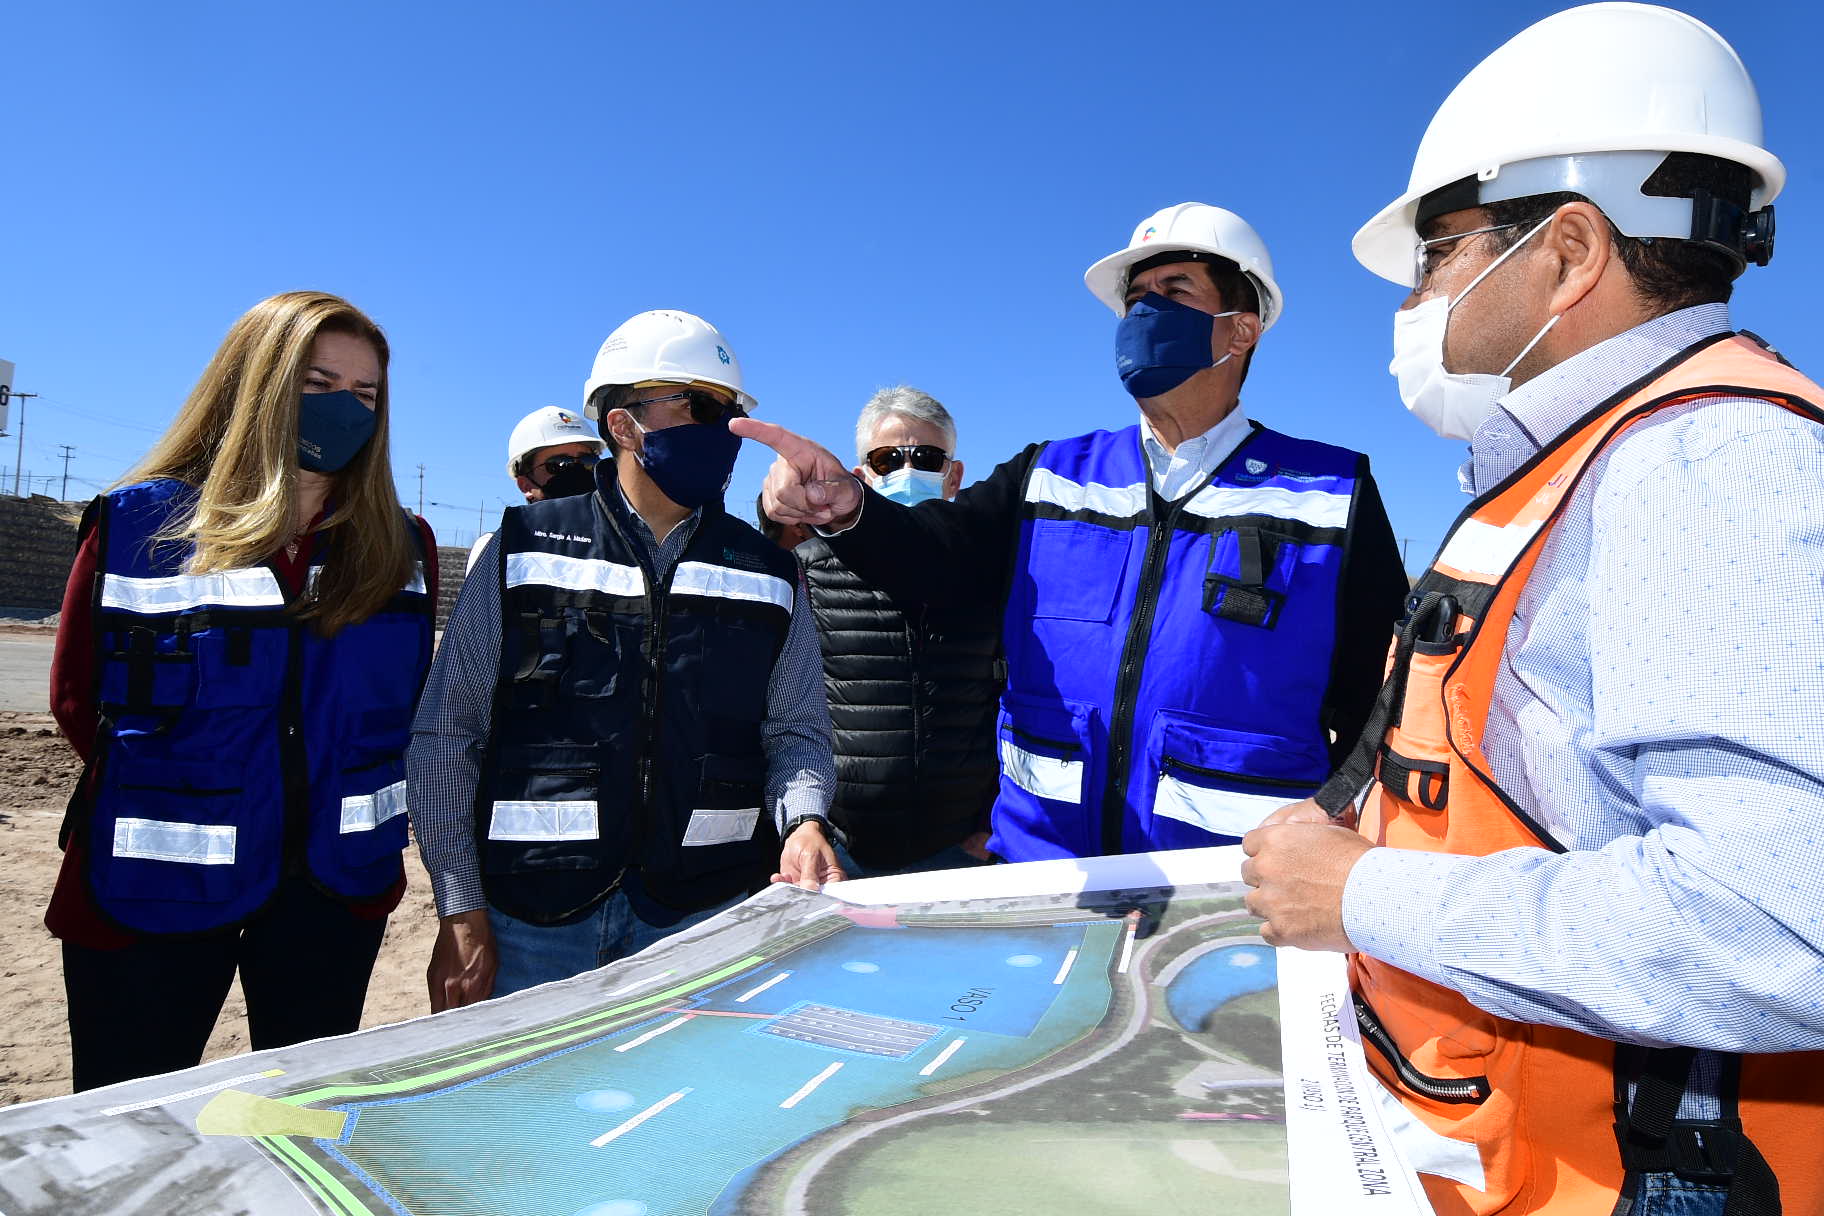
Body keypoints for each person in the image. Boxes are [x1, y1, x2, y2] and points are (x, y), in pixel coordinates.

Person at [1239, 7, 1824, 1214]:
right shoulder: (1591, 463)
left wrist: (1357, 893)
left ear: (1567, 253)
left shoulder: (1707, 465)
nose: (1420, 294)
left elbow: (1779, 922)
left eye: (1438, 250)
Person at [746, 205, 1408, 862]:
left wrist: (1340, 825)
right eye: (1136, 300)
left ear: (1240, 332)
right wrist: (846, 505)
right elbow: (933, 557)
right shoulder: (1048, 475)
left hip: (1236, 890)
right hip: (1046, 877)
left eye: (1173, 292)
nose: (1145, 314)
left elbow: (1377, 706)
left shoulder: (1331, 494)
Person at [46, 290, 435, 1091]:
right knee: (131, 1129)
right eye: (318, 383)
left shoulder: (403, 547)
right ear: (256, 386)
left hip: (332, 889)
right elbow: (78, 699)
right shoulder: (136, 529)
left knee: (302, 1121)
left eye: (365, 395)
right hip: (154, 888)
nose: (345, 409)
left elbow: (408, 712)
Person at [410, 309, 838, 1012]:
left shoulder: (771, 570)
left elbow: (797, 731)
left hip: (705, 916)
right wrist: (460, 907)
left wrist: (805, 822)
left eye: (730, 413)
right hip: (532, 923)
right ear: (623, 425)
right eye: (701, 406)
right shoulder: (522, 547)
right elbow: (448, 731)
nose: (723, 429)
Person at [792, 386, 1000, 877]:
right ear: (861, 475)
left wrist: (993, 824)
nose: (907, 471)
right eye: (888, 459)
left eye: (926, 457)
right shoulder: (807, 573)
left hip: (963, 853)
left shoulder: (996, 572)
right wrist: (806, 824)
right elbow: (784, 713)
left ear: (954, 476)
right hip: (841, 855)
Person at [465, 405, 605, 572]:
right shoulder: (499, 549)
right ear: (526, 485)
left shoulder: (622, 543)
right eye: (559, 465)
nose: (577, 473)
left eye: (588, 462)